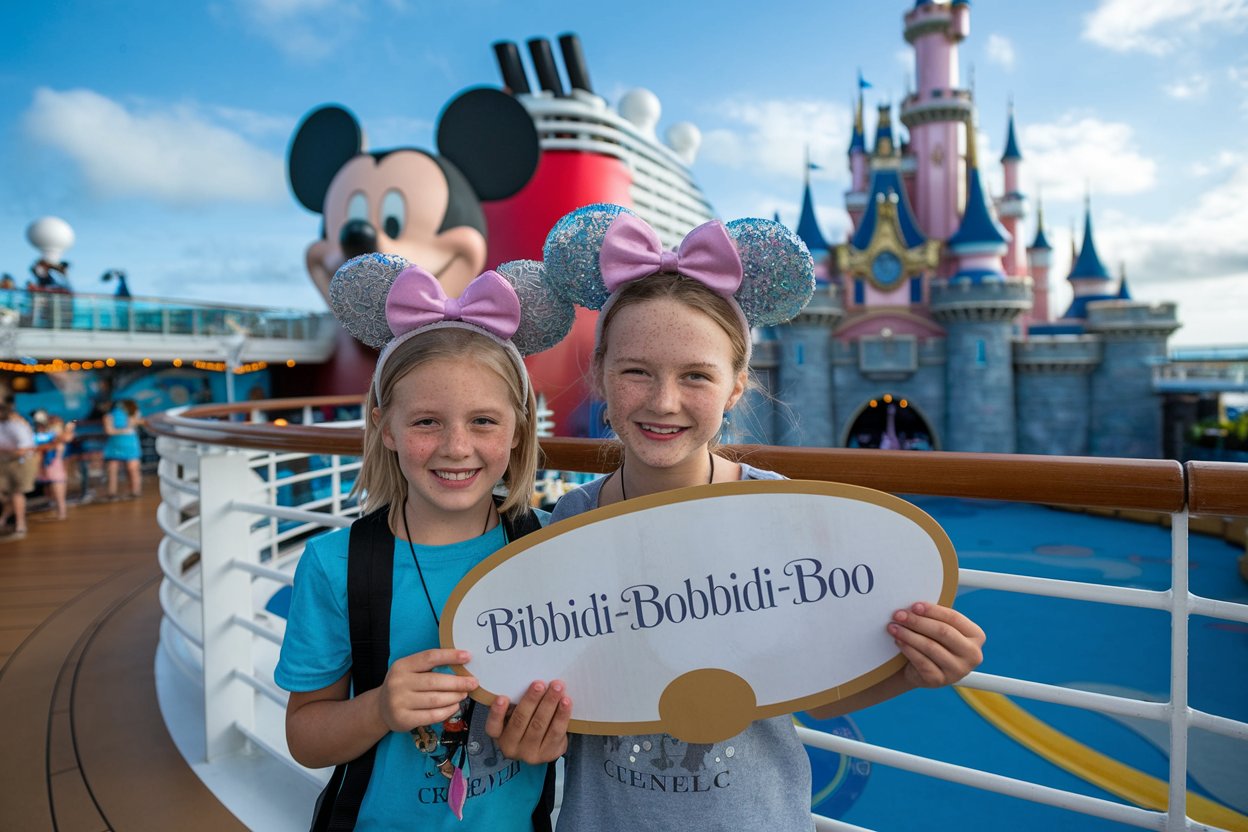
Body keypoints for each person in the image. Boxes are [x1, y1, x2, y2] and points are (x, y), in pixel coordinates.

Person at [490, 206, 986, 830]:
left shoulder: (781, 516)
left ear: (736, 388)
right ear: (600, 377)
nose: (663, 401)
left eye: (696, 376)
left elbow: (816, 686)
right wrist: (528, 734)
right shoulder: (570, 521)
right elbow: (561, 694)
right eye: (635, 372)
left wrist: (915, 670)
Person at [275, 254, 576, 830]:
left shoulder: (552, 546)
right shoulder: (334, 565)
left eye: (484, 422)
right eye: (426, 422)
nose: (456, 448)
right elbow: (305, 737)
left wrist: (551, 737)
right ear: (385, 427)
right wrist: (379, 708)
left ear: (518, 431)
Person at [0, 399, 37, 539]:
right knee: (7, 493)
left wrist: (5, 452)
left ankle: (20, 525)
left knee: (16, 492)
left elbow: (24, 449)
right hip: (5, 461)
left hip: (20, 462)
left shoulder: (17, 426)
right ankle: (6, 519)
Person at [36, 414, 73, 520]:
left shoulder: (59, 437)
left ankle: (61, 514)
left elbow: (66, 437)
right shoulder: (48, 437)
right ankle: (57, 512)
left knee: (59, 494)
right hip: (49, 467)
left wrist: (69, 427)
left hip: (56, 468)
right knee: (52, 493)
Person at [102, 399, 142, 499]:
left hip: (129, 445)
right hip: (116, 445)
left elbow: (135, 422)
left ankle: (135, 491)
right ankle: (112, 492)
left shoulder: (132, 415)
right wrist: (125, 430)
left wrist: (121, 429)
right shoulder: (109, 416)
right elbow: (109, 431)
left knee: (132, 468)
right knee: (112, 468)